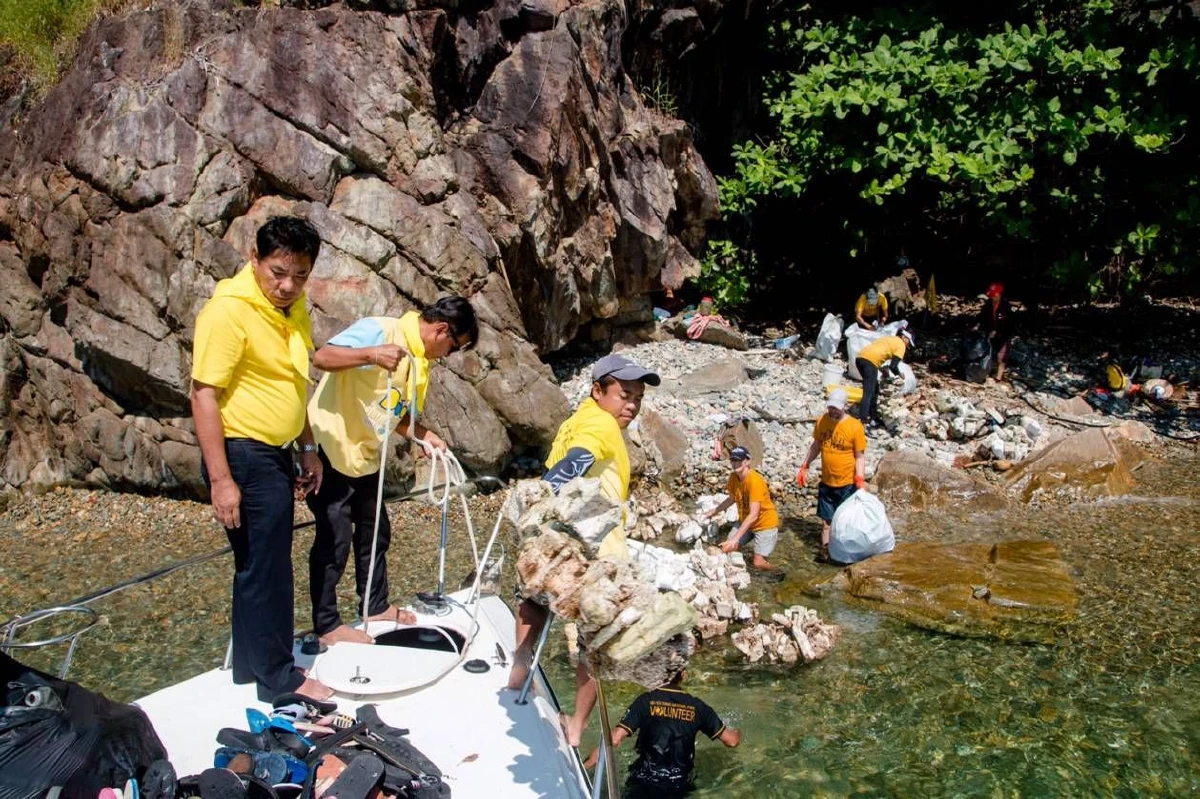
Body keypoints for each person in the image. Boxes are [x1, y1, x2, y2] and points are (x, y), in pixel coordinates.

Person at [190, 216, 332, 702]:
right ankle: (281, 680)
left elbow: (296, 383)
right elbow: (203, 394)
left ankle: (252, 669)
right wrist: (221, 480)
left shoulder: (293, 310)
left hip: (276, 452)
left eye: (300, 275)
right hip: (243, 453)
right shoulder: (229, 311)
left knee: (258, 565)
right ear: (255, 259)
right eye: (278, 273)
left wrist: (307, 447)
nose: (288, 285)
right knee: (268, 570)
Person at [507, 353, 661, 747]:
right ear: (598, 390)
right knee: (596, 644)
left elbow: (569, 461)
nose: (631, 405)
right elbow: (581, 458)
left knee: (533, 601)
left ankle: (518, 676)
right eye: (624, 394)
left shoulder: (573, 421)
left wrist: (544, 491)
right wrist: (551, 485)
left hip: (558, 543)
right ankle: (575, 728)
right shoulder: (602, 424)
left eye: (638, 398)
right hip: (600, 554)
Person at [306, 297, 479, 646]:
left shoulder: (419, 364)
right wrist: (370, 354)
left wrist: (426, 436)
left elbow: (398, 415)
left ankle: (376, 606)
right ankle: (327, 625)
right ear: (442, 330)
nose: (450, 355)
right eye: (454, 346)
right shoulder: (381, 328)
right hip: (331, 445)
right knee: (335, 539)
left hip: (366, 456)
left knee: (376, 532)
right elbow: (322, 357)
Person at [584, 668, 740, 798]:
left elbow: (614, 739)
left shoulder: (646, 701)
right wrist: (738, 732)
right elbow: (731, 741)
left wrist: (584, 767)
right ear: (683, 674)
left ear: (658, 673)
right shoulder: (698, 707)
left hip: (643, 781)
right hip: (678, 784)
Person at [796, 388, 866, 564]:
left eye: (836, 408)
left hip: (847, 483)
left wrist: (860, 479)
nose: (832, 411)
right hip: (827, 481)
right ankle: (826, 552)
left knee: (844, 521)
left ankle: (845, 553)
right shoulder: (822, 421)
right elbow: (816, 445)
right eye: (830, 407)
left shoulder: (855, 427)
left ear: (845, 406)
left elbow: (860, 456)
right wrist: (805, 465)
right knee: (826, 522)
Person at [703, 446, 779, 570]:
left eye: (739, 460)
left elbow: (754, 514)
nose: (735, 463)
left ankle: (779, 573)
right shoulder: (733, 478)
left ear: (747, 461)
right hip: (746, 522)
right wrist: (714, 511)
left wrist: (736, 538)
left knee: (758, 563)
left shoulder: (754, 481)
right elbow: (731, 499)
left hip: (765, 525)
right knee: (727, 549)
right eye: (733, 460)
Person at [855, 327, 913, 430]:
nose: (908, 345)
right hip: (870, 362)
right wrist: (900, 374)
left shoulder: (891, 339)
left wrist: (883, 370)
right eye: (909, 341)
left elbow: (879, 353)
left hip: (860, 358)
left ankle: (873, 417)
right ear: (904, 337)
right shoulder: (901, 345)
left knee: (875, 389)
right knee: (868, 393)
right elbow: (893, 366)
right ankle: (862, 422)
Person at [978, 282, 1014, 381]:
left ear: (999, 294)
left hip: (1004, 333)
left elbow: (1007, 324)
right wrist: (978, 326)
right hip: (991, 331)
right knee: (988, 352)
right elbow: (983, 317)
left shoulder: (1005, 306)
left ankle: (999, 377)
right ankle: (986, 372)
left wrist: (997, 331)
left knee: (1001, 355)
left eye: (994, 295)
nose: (993, 297)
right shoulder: (989, 303)